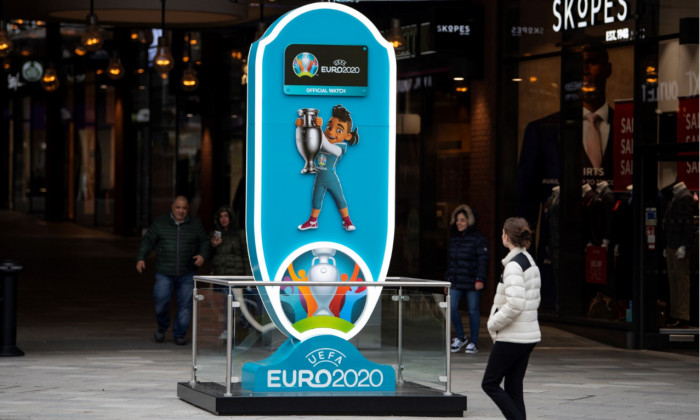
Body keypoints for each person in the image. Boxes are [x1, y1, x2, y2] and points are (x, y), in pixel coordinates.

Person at [482, 217, 541, 420]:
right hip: (527, 336)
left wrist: (493, 323)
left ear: (506, 237)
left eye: (502, 233)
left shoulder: (514, 266)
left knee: (489, 383)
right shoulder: (529, 261)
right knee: (514, 388)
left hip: (513, 336)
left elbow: (516, 304)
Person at [135, 195, 210, 345]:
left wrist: (203, 255)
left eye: (184, 208)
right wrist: (141, 257)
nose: (181, 211)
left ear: (188, 209)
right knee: (160, 301)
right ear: (172, 207)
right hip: (164, 272)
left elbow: (205, 241)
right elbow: (148, 240)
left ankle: (180, 334)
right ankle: (162, 327)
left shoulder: (195, 224)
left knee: (185, 306)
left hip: (187, 272)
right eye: (178, 207)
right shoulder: (160, 223)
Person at [297, 104, 359, 232]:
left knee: (339, 198)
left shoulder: (340, 148)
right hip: (319, 176)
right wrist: (304, 124)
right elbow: (309, 141)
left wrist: (318, 127)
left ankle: (347, 221)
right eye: (329, 126)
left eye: (339, 130)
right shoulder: (319, 140)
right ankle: (313, 221)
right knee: (316, 199)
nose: (331, 132)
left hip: (331, 178)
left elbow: (326, 145)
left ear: (347, 136)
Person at [444, 204, 489, 354]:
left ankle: (474, 342)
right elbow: (450, 262)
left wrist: (480, 279)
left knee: (472, 310)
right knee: (452, 307)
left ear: (469, 221)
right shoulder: (454, 238)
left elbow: (483, 260)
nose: (459, 223)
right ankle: (461, 336)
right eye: (457, 220)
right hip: (456, 280)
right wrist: (447, 280)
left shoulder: (478, 239)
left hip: (472, 281)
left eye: (462, 220)